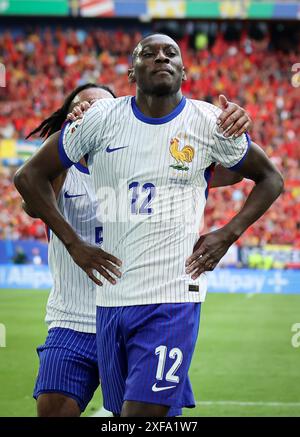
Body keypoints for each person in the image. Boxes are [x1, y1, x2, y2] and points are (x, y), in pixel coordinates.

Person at [14, 33, 283, 417]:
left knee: (142, 415)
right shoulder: (100, 125)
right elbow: (29, 182)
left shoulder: (206, 123)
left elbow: (264, 176)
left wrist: (227, 234)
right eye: (149, 53)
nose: (161, 58)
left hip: (171, 298)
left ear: (184, 71)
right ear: (131, 72)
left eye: (170, 52)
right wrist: (75, 244)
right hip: (105, 305)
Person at [24, 83, 116, 417]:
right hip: (72, 319)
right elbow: (33, 207)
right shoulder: (59, 173)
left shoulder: (136, 166)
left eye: (102, 107)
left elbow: (232, 173)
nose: (92, 111)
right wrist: (69, 140)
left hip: (127, 317)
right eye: (83, 106)